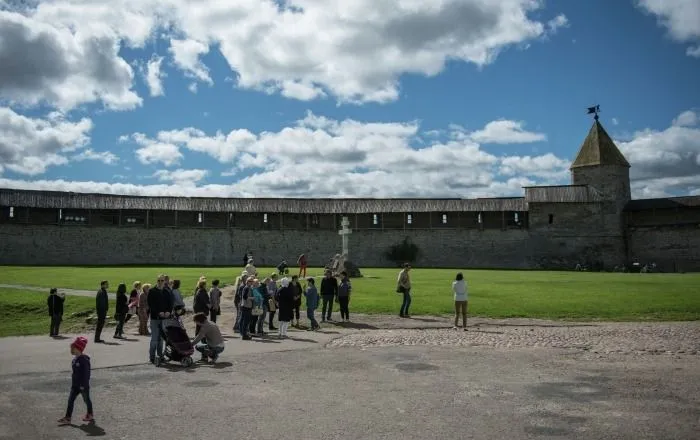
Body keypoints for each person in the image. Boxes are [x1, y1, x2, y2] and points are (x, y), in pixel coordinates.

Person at [57, 337, 94, 425]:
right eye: (71, 348)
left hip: (83, 386)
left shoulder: (83, 360)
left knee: (86, 400)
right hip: (75, 385)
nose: (71, 349)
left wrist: (83, 385)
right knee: (70, 400)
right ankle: (68, 417)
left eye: (73, 348)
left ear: (78, 349)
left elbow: (86, 374)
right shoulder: (75, 359)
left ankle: (90, 414)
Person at [146, 275, 173, 364]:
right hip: (155, 318)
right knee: (154, 339)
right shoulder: (152, 291)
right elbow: (151, 304)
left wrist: (168, 311)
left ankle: (160, 356)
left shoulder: (166, 291)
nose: (160, 282)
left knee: (161, 339)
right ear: (156, 281)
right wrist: (158, 312)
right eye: (159, 280)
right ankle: (152, 357)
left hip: (164, 318)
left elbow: (170, 303)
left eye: (162, 280)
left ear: (165, 281)